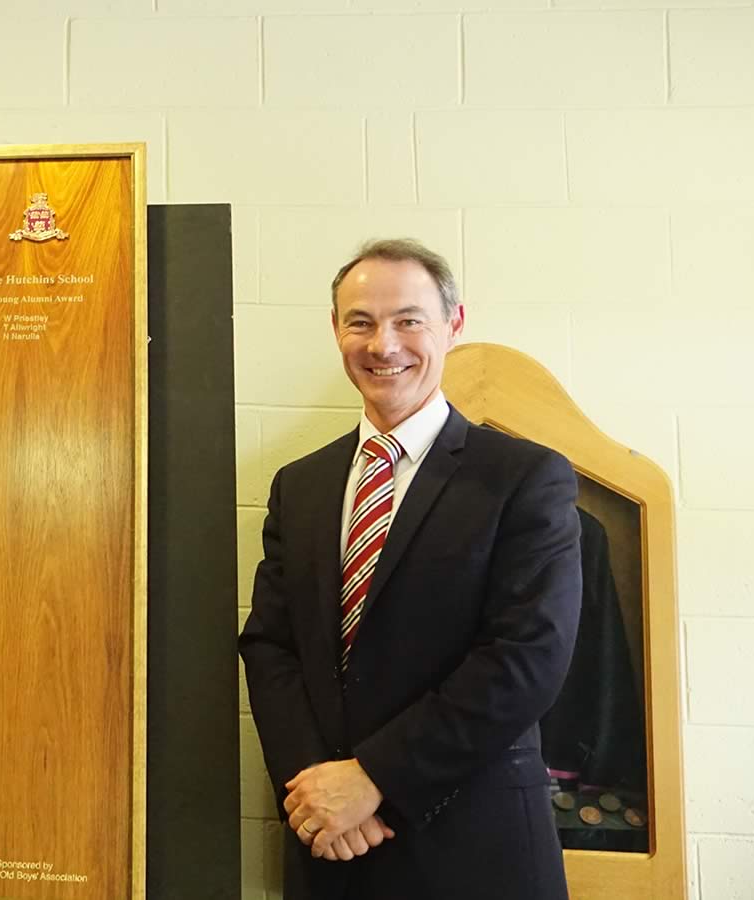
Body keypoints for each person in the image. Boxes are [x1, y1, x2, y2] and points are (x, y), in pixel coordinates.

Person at [238, 239, 582, 900]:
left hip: (474, 849)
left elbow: (527, 657)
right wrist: (315, 787)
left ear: (453, 326)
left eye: (408, 320)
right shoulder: (299, 485)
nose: (383, 344)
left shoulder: (523, 478)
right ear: (336, 331)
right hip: (329, 847)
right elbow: (270, 646)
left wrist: (374, 778)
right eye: (360, 322)